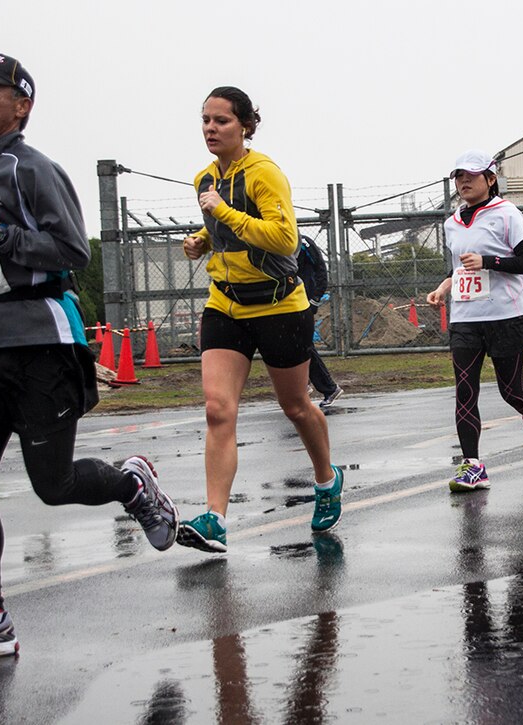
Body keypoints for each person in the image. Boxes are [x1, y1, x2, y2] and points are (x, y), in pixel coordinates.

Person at [0, 51, 179, 663]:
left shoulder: (34, 170)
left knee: (51, 486)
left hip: (43, 343)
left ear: (21, 104)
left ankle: (131, 484)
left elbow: (71, 251)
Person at [178, 86, 343, 551]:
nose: (211, 128)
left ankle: (327, 480)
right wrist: (200, 241)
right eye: (206, 120)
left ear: (245, 126)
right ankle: (215, 519)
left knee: (295, 407)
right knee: (217, 409)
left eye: (222, 121)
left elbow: (284, 238)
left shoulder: (264, 173)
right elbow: (223, 231)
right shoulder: (204, 179)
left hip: (278, 305)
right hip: (225, 304)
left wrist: (222, 213)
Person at [426, 150, 523, 491]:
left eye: (472, 175)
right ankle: (472, 465)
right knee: (465, 391)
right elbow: (459, 266)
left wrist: (488, 261)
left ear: (490, 178)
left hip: (507, 315)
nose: (464, 182)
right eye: (459, 176)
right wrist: (444, 287)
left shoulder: (506, 213)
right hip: (467, 318)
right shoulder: (451, 222)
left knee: (511, 392)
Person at [296, 233, 343, 408]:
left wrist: (315, 299)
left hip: (304, 300)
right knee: (294, 343)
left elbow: (321, 271)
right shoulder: (272, 239)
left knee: (304, 344)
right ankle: (304, 384)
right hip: (287, 300)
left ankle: (329, 388)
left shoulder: (303, 243)